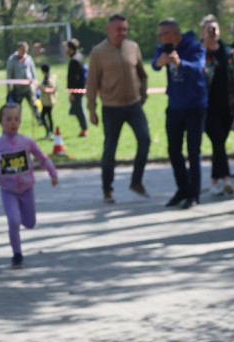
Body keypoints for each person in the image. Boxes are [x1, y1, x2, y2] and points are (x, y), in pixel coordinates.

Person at [0, 103, 59, 269]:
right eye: (8, 119)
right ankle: (17, 255)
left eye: (16, 119)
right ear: (0, 122)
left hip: (27, 189)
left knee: (30, 223)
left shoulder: (26, 142)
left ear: (20, 122)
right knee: (14, 221)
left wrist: (53, 173)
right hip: (8, 191)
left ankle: (23, 222)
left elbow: (42, 158)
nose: (13, 123)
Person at [87, 13, 151, 204]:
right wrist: (92, 109)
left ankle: (136, 181)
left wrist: (143, 95)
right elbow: (92, 83)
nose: (122, 33)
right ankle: (107, 189)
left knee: (145, 139)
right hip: (111, 107)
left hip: (133, 105)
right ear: (109, 29)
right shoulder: (98, 52)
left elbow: (143, 74)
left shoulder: (133, 47)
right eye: (118, 29)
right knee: (110, 148)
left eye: (125, 29)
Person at [153, 18, 208, 209]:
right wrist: (160, 62)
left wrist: (180, 62)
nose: (160, 38)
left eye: (162, 34)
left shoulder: (194, 46)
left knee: (193, 151)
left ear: (173, 33)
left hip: (195, 106)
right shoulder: (164, 48)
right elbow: (154, 64)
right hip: (175, 106)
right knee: (174, 151)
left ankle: (194, 194)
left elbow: (199, 68)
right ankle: (182, 189)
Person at [201, 14, 234, 197]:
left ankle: (216, 181)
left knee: (219, 143)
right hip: (205, 107)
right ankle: (226, 178)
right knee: (217, 141)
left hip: (228, 106)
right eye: (209, 29)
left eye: (215, 29)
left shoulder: (229, 53)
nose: (212, 32)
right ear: (202, 32)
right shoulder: (199, 53)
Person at [6, 42, 39, 121]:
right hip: (18, 88)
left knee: (34, 104)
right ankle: (17, 121)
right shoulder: (12, 59)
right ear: (18, 49)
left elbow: (33, 71)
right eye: (23, 49)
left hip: (29, 87)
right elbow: (9, 73)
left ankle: (40, 120)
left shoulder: (29, 58)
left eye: (26, 49)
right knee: (17, 107)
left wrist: (35, 81)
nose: (25, 51)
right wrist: (8, 86)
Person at [65, 39, 88, 137]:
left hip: (77, 90)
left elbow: (75, 78)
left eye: (67, 48)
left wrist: (73, 93)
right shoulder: (79, 56)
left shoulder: (74, 60)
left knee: (79, 109)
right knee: (77, 109)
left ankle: (84, 130)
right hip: (80, 88)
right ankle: (83, 129)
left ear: (70, 48)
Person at [38, 64, 57, 138]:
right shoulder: (48, 76)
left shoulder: (48, 78)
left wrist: (39, 86)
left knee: (43, 117)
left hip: (48, 101)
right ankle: (50, 132)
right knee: (49, 116)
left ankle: (49, 132)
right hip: (48, 101)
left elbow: (49, 87)